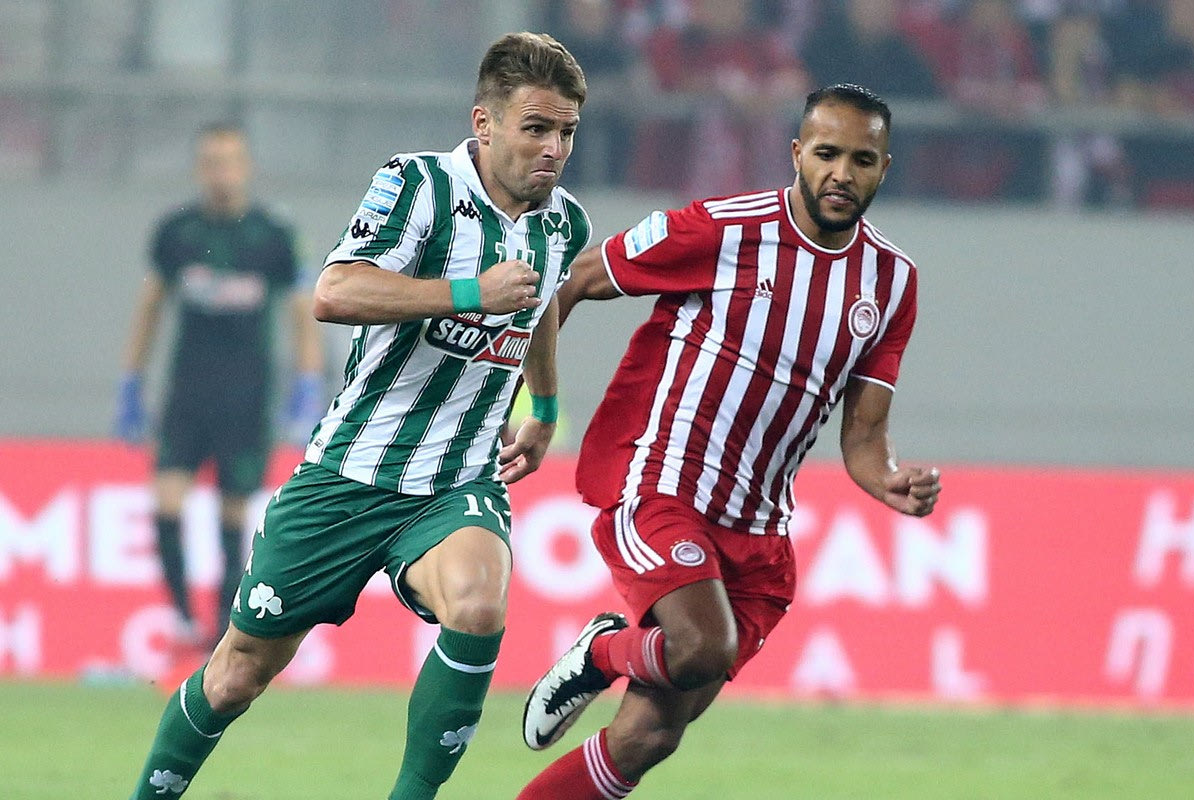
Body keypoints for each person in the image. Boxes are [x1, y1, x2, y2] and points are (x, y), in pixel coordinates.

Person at [126, 31, 591, 800]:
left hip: (456, 481)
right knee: (236, 676)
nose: (554, 149)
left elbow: (541, 304)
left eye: (567, 132)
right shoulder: (417, 185)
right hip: (348, 473)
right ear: (484, 123)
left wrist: (541, 403)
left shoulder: (563, 223)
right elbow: (335, 291)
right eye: (536, 128)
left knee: (479, 605)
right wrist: (468, 292)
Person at [518, 84, 942, 800]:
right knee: (698, 647)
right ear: (797, 153)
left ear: (885, 168)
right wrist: (539, 405)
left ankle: (608, 666)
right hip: (663, 485)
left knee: (650, 735)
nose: (842, 173)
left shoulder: (893, 282)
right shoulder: (725, 229)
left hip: (759, 532)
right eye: (827, 154)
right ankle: (602, 653)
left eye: (862, 160)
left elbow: (865, 436)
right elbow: (574, 280)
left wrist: (890, 478)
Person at [115, 123, 326, 650]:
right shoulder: (177, 232)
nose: (221, 173)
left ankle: (219, 634)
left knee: (234, 514)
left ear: (247, 167)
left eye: (230, 161)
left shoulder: (273, 236)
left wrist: (307, 384)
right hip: (187, 395)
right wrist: (131, 379)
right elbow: (150, 306)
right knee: (166, 503)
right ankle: (183, 616)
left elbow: (301, 313)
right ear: (198, 168)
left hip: (246, 398)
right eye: (211, 162)